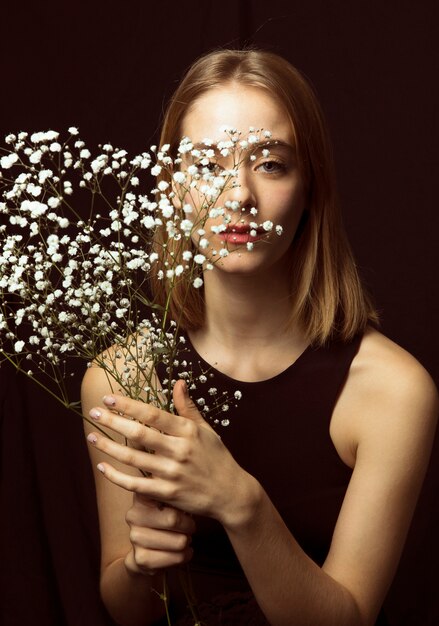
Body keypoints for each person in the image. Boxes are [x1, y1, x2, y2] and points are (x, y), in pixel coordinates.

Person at [81, 49, 438, 626]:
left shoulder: (393, 392)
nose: (239, 194)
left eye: (270, 163)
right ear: (172, 187)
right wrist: (142, 566)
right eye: (206, 165)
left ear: (309, 185)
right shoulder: (121, 376)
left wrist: (240, 502)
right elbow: (126, 610)